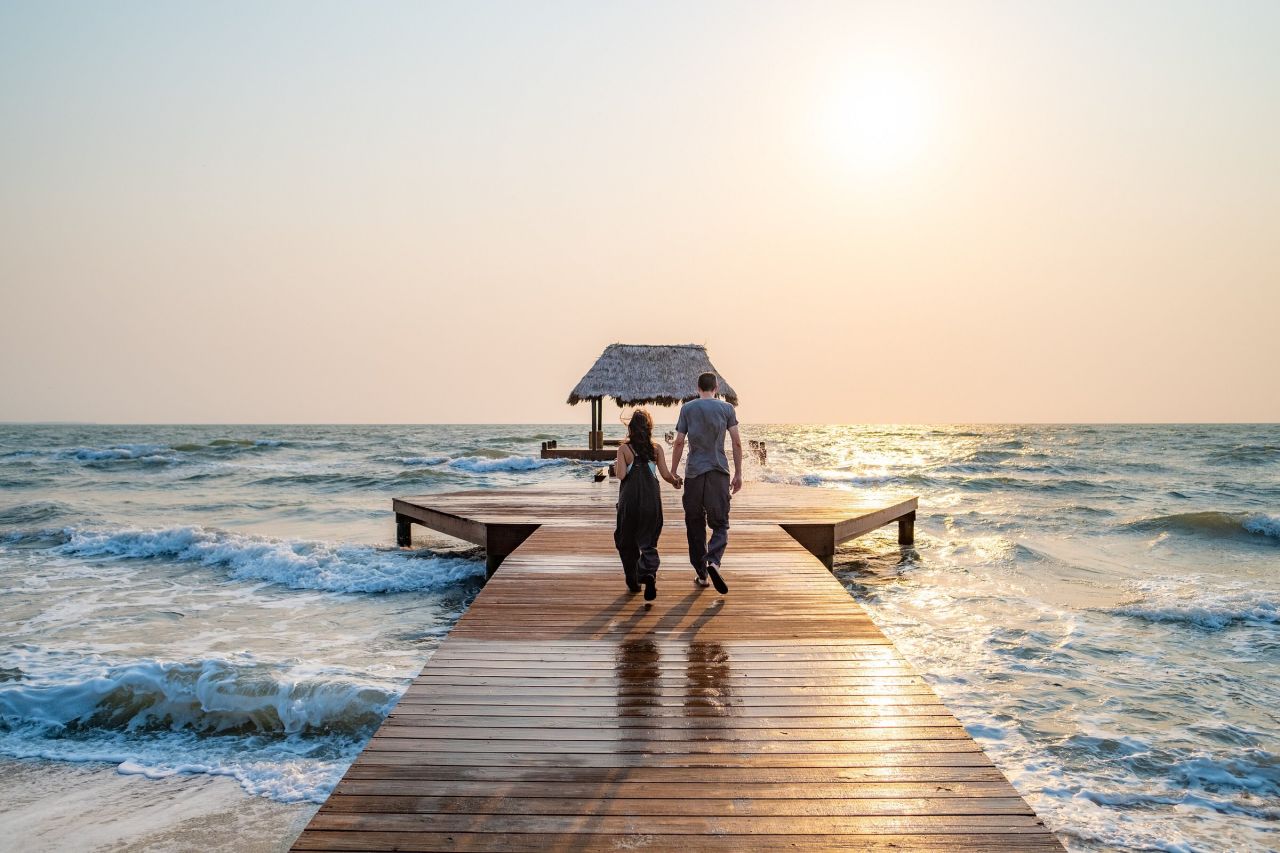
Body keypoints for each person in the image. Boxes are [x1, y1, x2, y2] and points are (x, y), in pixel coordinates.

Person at [670, 372, 742, 594]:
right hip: (718, 473)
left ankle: (702, 575)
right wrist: (739, 474)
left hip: (694, 474)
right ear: (716, 387)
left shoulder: (687, 409)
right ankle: (714, 562)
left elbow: (679, 442)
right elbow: (737, 443)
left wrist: (673, 471)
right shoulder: (727, 409)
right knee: (720, 524)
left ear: (698, 387)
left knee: (694, 523)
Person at [614, 409, 681, 601]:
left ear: (631, 428)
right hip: (651, 501)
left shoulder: (624, 449)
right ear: (649, 428)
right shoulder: (656, 448)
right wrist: (676, 482)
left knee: (626, 539)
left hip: (630, 501)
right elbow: (666, 475)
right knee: (648, 540)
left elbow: (621, 475)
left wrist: (618, 464)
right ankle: (649, 573)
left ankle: (634, 581)